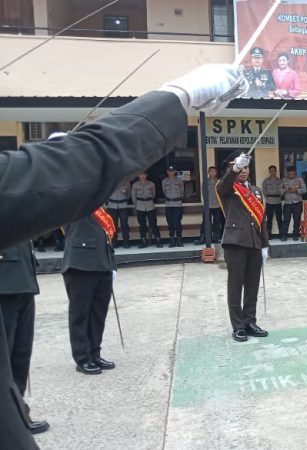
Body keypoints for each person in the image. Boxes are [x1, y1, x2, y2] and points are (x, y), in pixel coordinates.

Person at [0, 62, 243, 450]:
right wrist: (177, 96)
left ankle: (86, 358)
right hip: (77, 260)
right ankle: (84, 357)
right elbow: (81, 169)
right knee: (79, 314)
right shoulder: (75, 198)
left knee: (26, 350)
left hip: (84, 263)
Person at [216, 153, 270, 342]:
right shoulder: (227, 187)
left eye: (246, 167)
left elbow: (262, 219)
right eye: (240, 167)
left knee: (252, 285)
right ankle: (238, 326)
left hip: (255, 242)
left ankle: (249, 321)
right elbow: (223, 185)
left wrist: (265, 244)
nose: (243, 170)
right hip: (235, 243)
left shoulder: (255, 191)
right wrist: (235, 168)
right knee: (235, 285)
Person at [0, 241, 49, 434]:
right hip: (4, 283)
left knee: (21, 353)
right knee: (5, 357)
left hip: (23, 279)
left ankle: (17, 413)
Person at [62, 208, 117, 375]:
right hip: (80, 264)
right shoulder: (75, 204)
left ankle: (94, 353)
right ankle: (82, 357)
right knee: (80, 314)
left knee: (98, 314)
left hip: (102, 263)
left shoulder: (99, 209)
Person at [131, 171, 161, 248]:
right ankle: (143, 241)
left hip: (149, 204)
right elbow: (133, 196)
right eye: (140, 174)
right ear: (138, 175)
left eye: (144, 174)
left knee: (153, 223)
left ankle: (158, 240)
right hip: (140, 205)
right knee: (142, 224)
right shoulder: (135, 185)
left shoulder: (151, 184)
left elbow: (154, 194)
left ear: (146, 175)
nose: (142, 176)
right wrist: (136, 205)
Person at [195, 166, 224, 244]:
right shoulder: (205, 182)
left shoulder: (219, 182)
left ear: (216, 173)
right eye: (211, 171)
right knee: (205, 222)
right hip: (208, 205)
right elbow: (203, 193)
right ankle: (203, 238)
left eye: (214, 171)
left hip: (217, 205)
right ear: (208, 172)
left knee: (217, 222)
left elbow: (221, 193)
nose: (212, 173)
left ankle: (216, 238)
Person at [280, 166, 306, 241]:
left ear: (295, 173)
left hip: (297, 203)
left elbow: (304, 190)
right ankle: (284, 235)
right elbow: (279, 190)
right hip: (287, 203)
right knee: (286, 220)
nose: (291, 176)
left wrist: (296, 190)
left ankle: (295, 235)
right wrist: (285, 190)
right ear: (287, 173)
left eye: (293, 174)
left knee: (297, 219)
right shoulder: (284, 180)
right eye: (290, 174)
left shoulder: (299, 179)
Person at [162, 166, 185, 247]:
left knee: (178, 222)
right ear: (167, 172)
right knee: (170, 223)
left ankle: (179, 239)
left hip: (177, 204)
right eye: (169, 171)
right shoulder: (164, 181)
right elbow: (164, 192)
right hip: (168, 204)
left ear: (175, 171)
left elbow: (182, 192)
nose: (171, 172)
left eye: (172, 171)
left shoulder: (179, 181)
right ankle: (172, 240)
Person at [262, 165, 283, 239]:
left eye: (274, 170)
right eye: (271, 171)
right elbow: (264, 191)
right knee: (269, 219)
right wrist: (268, 198)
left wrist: (278, 197)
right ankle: (269, 235)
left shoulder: (280, 181)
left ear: (276, 171)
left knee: (279, 218)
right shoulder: (266, 181)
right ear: (269, 172)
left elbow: (282, 191)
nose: (273, 172)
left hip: (278, 202)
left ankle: (281, 234)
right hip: (269, 202)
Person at [107, 183, 131, 248]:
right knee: (113, 225)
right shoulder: (110, 182)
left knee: (124, 225)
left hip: (123, 205)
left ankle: (126, 242)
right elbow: (106, 194)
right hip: (112, 206)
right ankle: (113, 242)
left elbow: (129, 195)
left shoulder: (127, 183)